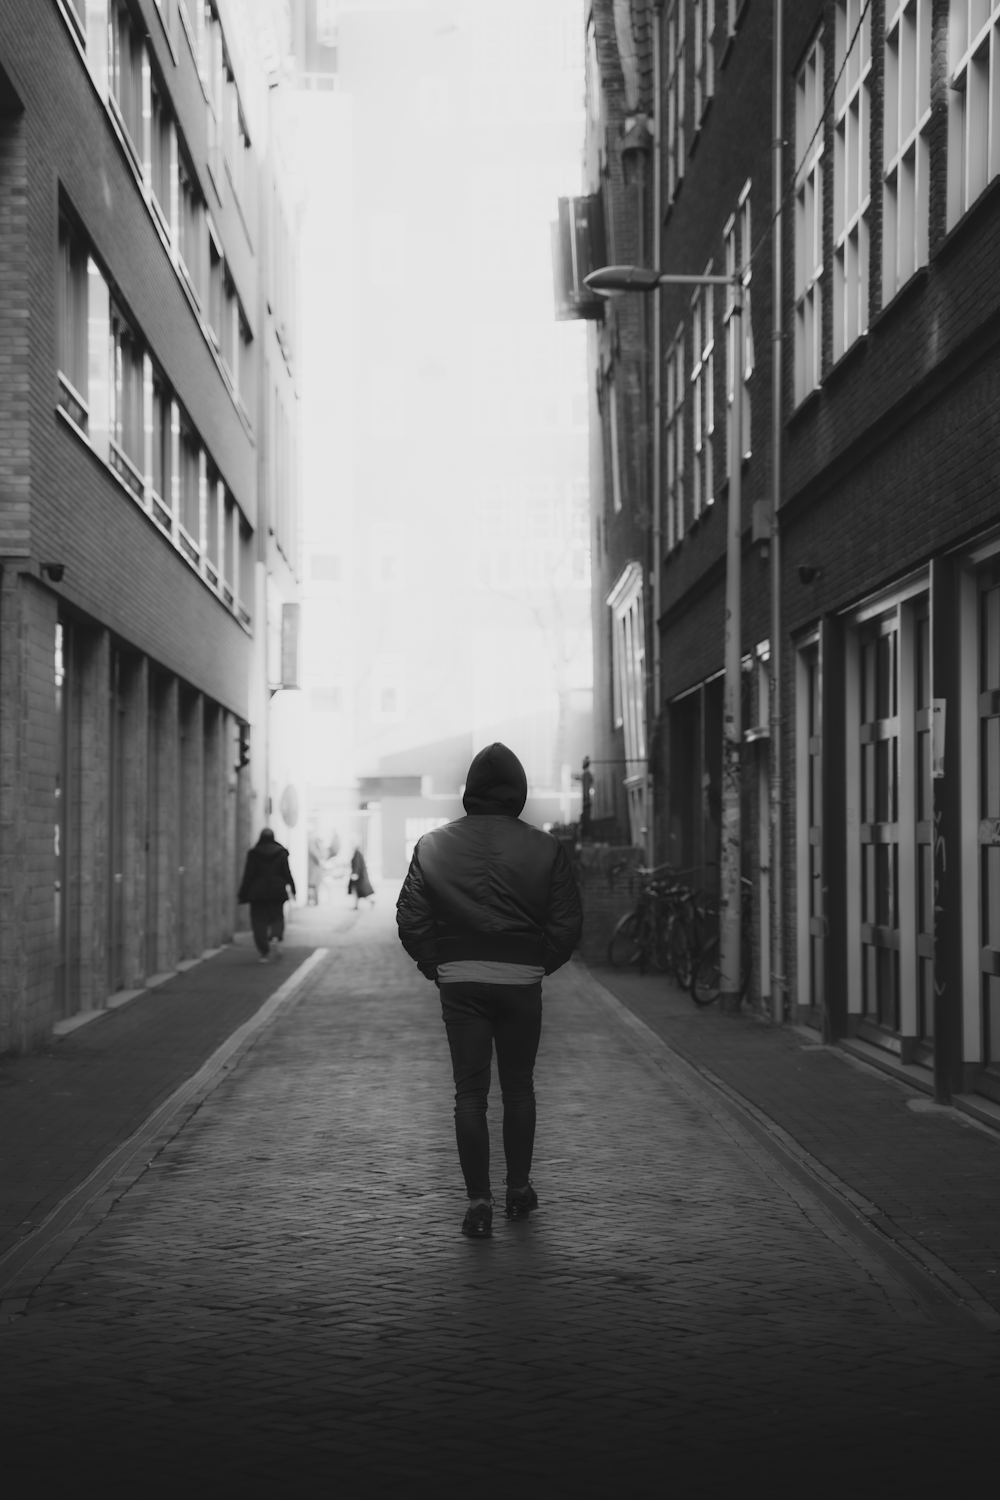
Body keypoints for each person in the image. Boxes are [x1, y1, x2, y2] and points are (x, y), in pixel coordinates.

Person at [396, 742, 582, 1240]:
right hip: (521, 982)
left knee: (469, 1094)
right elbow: (567, 924)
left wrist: (439, 966)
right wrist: (536, 965)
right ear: (519, 793)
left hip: (461, 982)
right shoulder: (545, 848)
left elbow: (411, 919)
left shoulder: (434, 845)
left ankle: (479, 1199)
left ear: (469, 793)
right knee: (519, 1087)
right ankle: (518, 1189)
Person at [237, 828, 296, 962]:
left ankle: (263, 952)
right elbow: (287, 872)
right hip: (276, 890)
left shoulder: (254, 853)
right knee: (277, 917)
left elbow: (248, 875)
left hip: (257, 892)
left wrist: (242, 894)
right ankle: (275, 937)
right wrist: (293, 888)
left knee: (258, 921)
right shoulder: (281, 853)